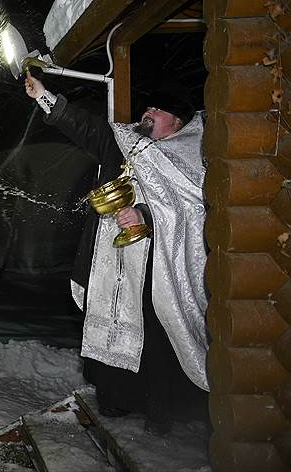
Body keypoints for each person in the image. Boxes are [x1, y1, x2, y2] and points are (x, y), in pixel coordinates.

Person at [24, 74, 208, 435]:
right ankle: (114, 398)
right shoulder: (125, 143)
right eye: (147, 107)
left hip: (158, 269)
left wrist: (146, 216)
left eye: (156, 109)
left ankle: (161, 411)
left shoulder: (190, 155)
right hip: (112, 262)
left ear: (176, 121)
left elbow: (192, 210)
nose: (147, 113)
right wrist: (44, 96)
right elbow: (86, 128)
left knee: (155, 335)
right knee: (109, 323)